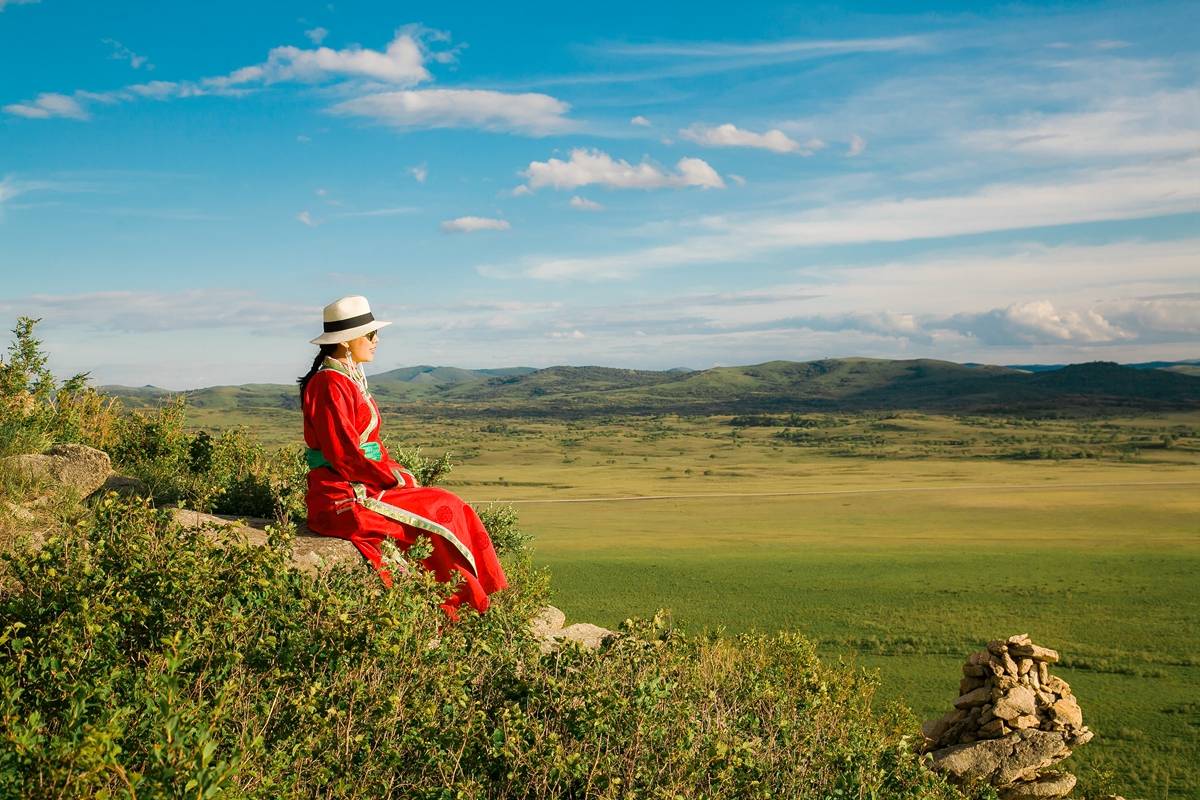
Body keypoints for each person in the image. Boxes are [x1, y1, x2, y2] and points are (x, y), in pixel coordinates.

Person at [298, 295, 507, 619]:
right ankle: (452, 606)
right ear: (348, 341)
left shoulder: (345, 379)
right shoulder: (329, 383)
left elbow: (366, 448)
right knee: (441, 508)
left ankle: (469, 598)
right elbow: (344, 454)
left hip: (358, 482)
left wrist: (395, 470)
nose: (376, 340)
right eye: (370, 335)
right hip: (342, 495)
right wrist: (392, 478)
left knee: (449, 504)